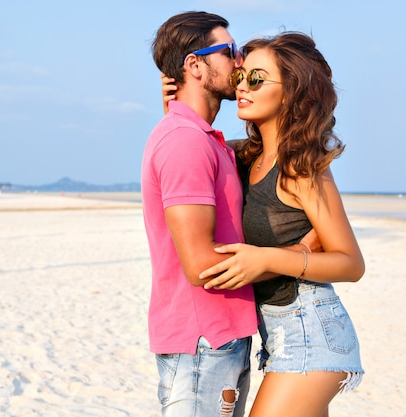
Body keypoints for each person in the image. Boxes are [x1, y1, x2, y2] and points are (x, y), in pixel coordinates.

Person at [162, 32, 365, 417]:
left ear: (290, 92)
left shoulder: (301, 167)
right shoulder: (246, 155)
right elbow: (190, 148)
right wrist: (175, 105)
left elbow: (351, 263)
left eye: (257, 79)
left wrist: (267, 259)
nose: (243, 87)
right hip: (277, 337)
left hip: (311, 332)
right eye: (240, 77)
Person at [142, 11, 257, 417]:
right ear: (195, 65)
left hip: (218, 336)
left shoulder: (201, 139)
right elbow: (200, 265)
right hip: (203, 342)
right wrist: (297, 259)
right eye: (229, 52)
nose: (240, 61)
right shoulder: (185, 142)